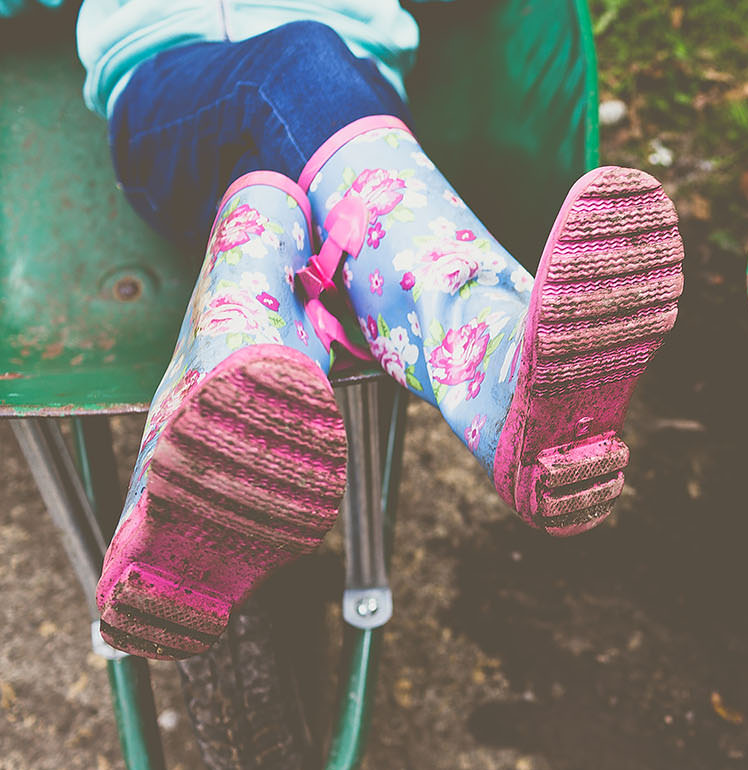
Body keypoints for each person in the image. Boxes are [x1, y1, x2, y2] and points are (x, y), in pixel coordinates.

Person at [2, 1, 683, 662]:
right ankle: (500, 366)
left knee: (267, 206)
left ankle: (181, 498)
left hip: (348, 101)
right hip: (175, 97)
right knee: (296, 60)